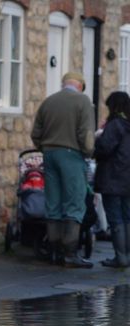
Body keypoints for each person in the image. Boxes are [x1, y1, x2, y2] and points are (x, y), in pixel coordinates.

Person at [31, 71, 95, 268]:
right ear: (80, 85)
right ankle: (69, 254)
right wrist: (88, 152)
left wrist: (44, 148)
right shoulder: (83, 101)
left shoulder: (48, 102)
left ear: (64, 83)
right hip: (72, 154)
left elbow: (36, 133)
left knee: (54, 202)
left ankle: (54, 252)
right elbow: (86, 134)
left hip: (49, 154)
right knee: (74, 202)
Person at [93, 91, 130, 268]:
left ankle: (121, 257)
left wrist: (98, 138)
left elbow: (103, 149)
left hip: (113, 178)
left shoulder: (115, 125)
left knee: (115, 218)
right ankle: (127, 256)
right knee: (127, 217)